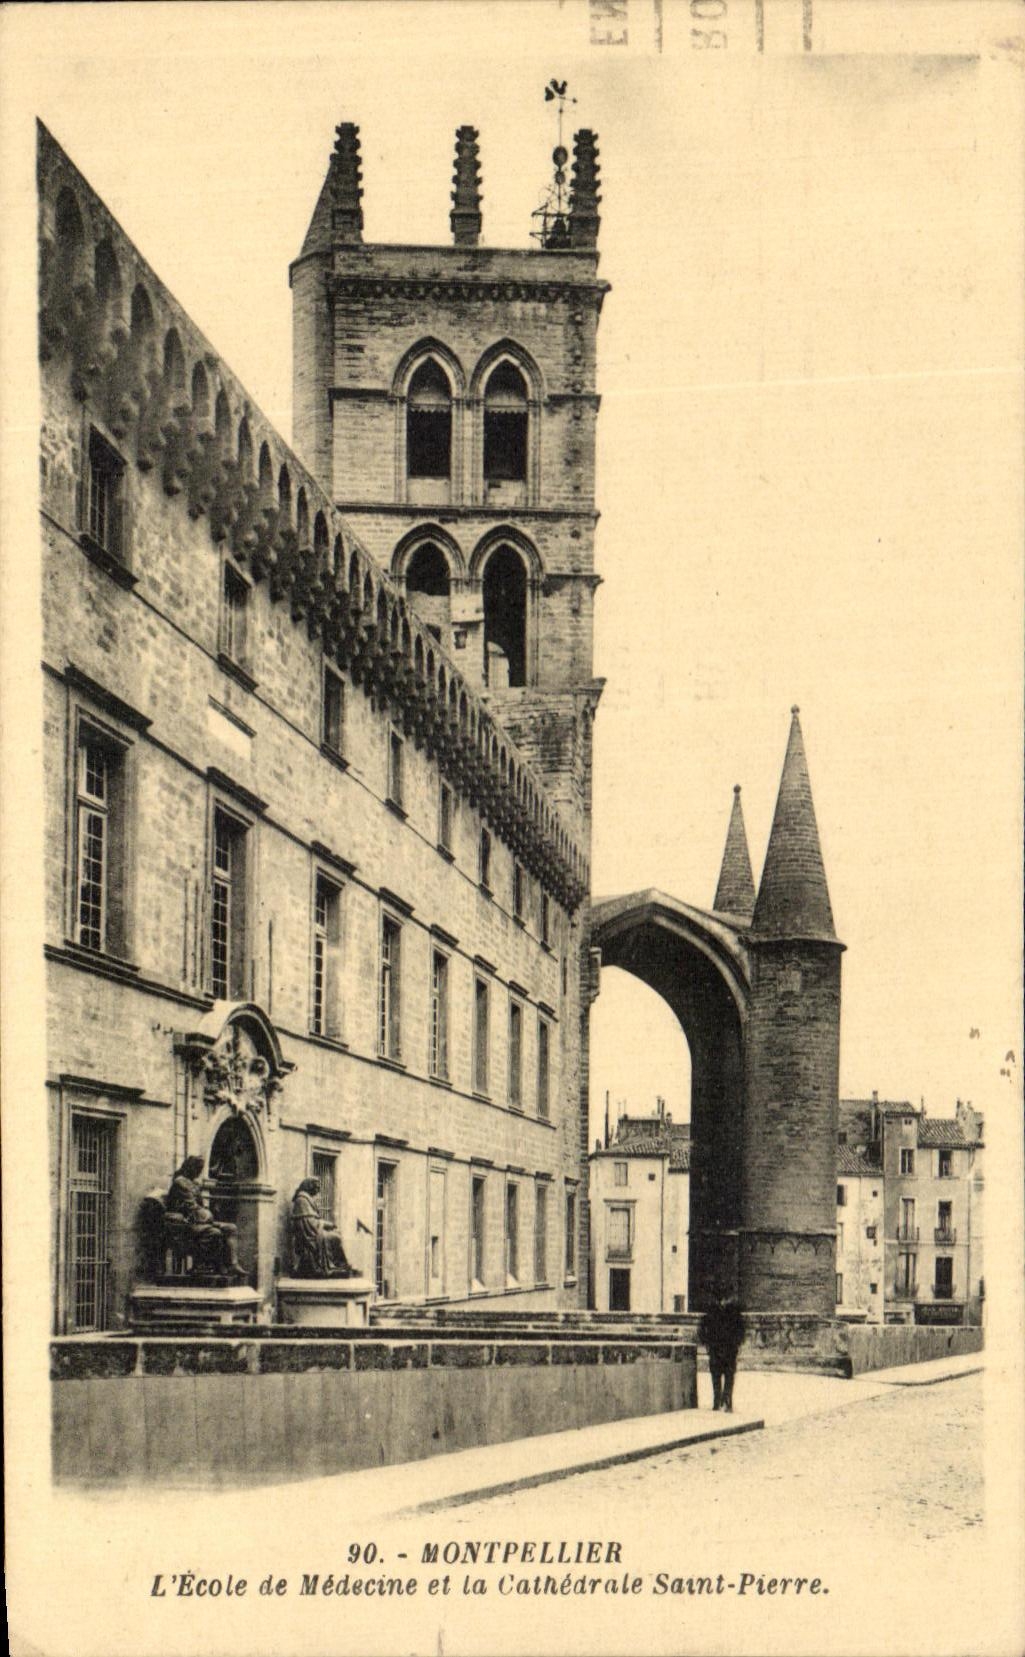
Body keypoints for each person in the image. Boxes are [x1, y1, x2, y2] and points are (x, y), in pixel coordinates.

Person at [165, 1155, 246, 1277]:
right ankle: (205, 1266)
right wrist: (208, 1217)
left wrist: (207, 1216)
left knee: (231, 1228)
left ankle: (233, 1265)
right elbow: (191, 1207)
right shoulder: (180, 1182)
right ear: (190, 1167)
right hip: (185, 1223)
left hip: (200, 1221)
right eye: (197, 1168)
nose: (199, 1172)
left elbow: (201, 1206)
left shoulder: (195, 1184)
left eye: (201, 1169)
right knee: (214, 1233)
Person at [290, 1178, 356, 1278]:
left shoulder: (306, 1199)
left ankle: (340, 1265)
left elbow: (312, 1220)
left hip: (313, 1232)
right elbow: (308, 1223)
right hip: (309, 1236)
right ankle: (333, 1265)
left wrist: (324, 1224)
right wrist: (325, 1224)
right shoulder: (301, 1200)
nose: (318, 1190)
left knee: (336, 1234)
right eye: (316, 1187)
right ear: (309, 1186)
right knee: (335, 1237)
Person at [698, 1294, 745, 1412]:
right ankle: (722, 1400)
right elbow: (702, 1329)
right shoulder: (729, 1311)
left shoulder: (717, 1311)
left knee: (722, 1376)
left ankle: (722, 1400)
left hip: (723, 1349)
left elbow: (702, 1329)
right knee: (722, 1376)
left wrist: (707, 1342)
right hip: (722, 1348)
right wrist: (708, 1343)